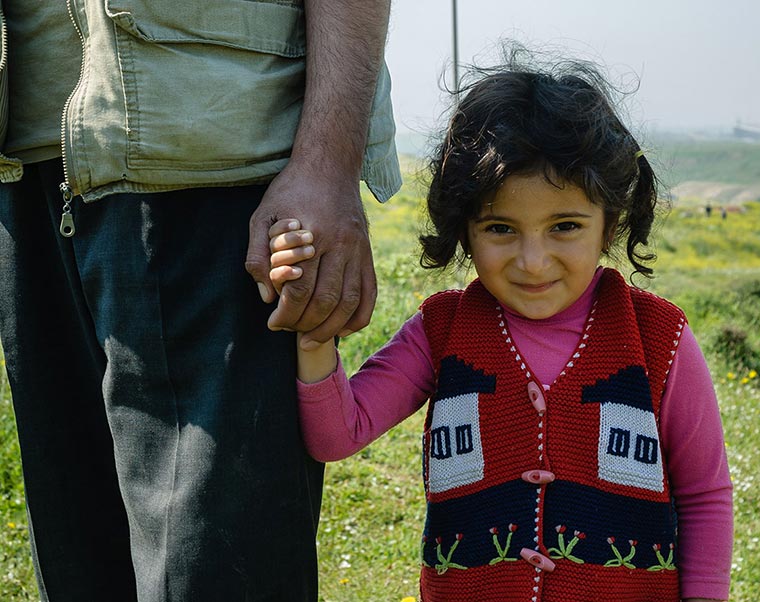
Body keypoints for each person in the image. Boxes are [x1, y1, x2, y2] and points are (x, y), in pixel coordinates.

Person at [269, 52, 733, 601]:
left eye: (564, 226)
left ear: (610, 223)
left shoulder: (660, 338)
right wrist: (318, 335)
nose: (532, 261)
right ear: (463, 230)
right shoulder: (441, 332)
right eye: (500, 228)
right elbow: (337, 435)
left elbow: (705, 493)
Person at [0, 1, 400, 601]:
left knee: (219, 576)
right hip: (25, 172)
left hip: (224, 171)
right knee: (78, 566)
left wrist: (326, 164)